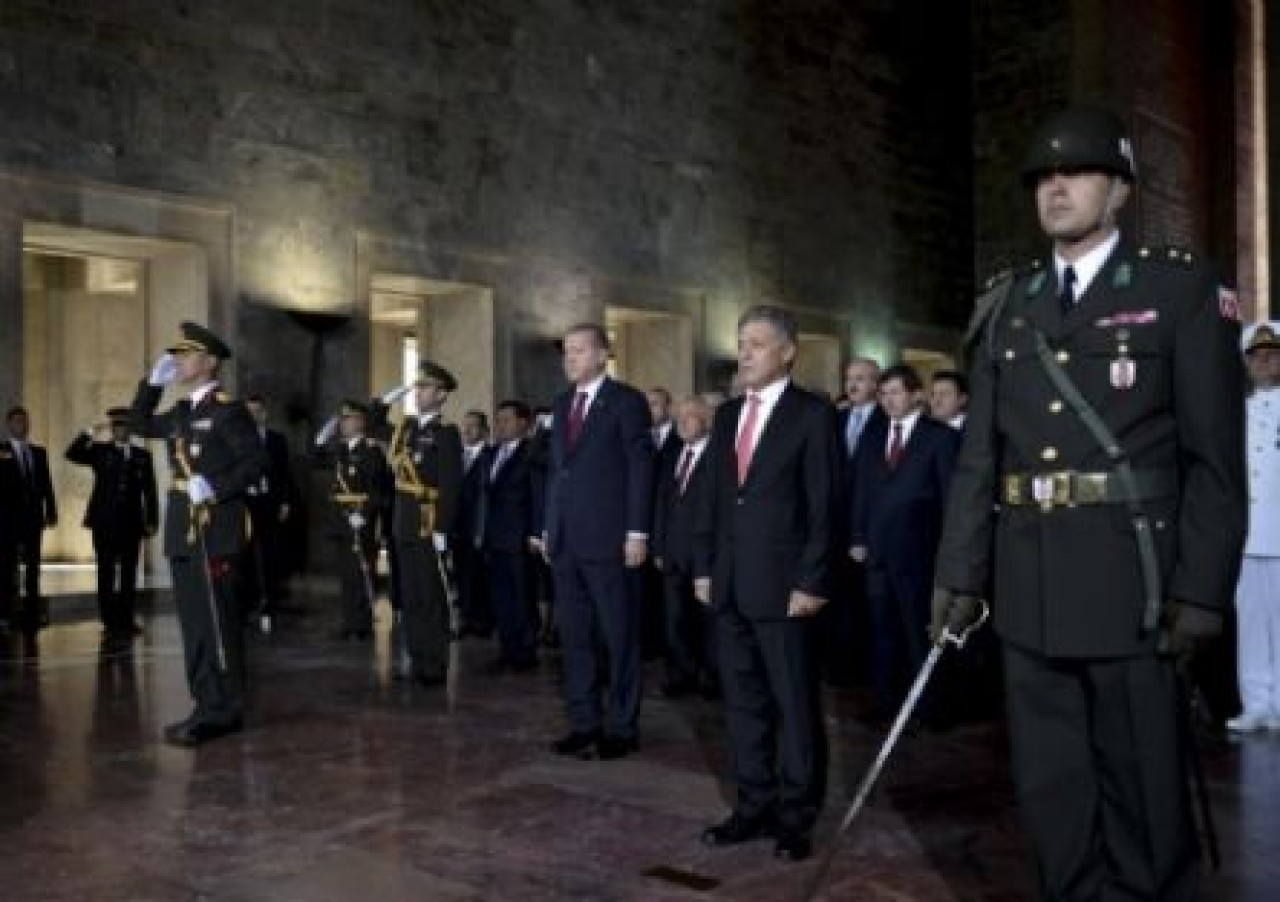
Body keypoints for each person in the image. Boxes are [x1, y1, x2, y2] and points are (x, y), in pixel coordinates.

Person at [932, 107, 1247, 901]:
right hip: (1029, 587)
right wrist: (959, 576)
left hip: (1131, 588)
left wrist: (1200, 589)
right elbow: (981, 459)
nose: (1056, 186)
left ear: (1119, 192)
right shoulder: (1011, 302)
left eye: (1075, 172)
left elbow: (1214, 461)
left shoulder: (1179, 288)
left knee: (1143, 788)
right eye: (1043, 176)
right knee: (1052, 793)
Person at [694, 304, 838, 863]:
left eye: (757, 343)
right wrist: (705, 567)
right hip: (730, 585)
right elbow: (713, 497)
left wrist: (812, 581)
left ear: (787, 352)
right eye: (742, 342)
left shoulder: (812, 415)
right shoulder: (728, 416)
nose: (745, 353)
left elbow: (826, 506)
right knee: (743, 703)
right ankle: (752, 806)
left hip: (786, 589)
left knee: (794, 706)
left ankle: (796, 816)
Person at [132, 322, 267, 746]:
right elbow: (138, 424)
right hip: (183, 531)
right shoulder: (181, 412)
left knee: (217, 622)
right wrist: (151, 385)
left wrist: (216, 486)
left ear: (210, 363)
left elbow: (256, 463)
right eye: (177, 356)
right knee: (194, 625)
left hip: (215, 530)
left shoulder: (229, 411)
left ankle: (224, 708)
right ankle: (204, 703)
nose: (179, 362)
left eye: (187, 355)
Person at [543, 323, 654, 761]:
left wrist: (637, 532)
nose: (570, 359)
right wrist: (549, 528)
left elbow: (640, 468)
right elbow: (557, 473)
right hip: (567, 541)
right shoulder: (562, 403)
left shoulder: (626, 401)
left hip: (611, 540)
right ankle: (584, 722)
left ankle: (622, 726)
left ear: (603, 354)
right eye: (566, 352)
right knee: (575, 637)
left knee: (619, 636)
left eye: (578, 351)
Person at [849, 364, 959, 717]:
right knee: (881, 633)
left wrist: (948, 553)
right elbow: (860, 491)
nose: (888, 400)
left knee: (918, 635)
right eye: (883, 394)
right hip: (877, 555)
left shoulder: (939, 437)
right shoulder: (872, 436)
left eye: (895, 392)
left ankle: (925, 709)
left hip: (920, 555)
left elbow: (949, 500)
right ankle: (885, 704)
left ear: (916, 395)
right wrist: (857, 536)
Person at [385, 360, 462, 687]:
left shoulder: (446, 434)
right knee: (411, 596)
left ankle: (435, 664)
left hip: (428, 524)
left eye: (426, 387)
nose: (419, 393)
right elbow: (375, 420)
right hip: (404, 523)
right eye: (417, 387)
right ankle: (417, 659)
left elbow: (451, 485)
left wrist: (443, 528)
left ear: (442, 395)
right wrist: (394, 394)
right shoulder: (408, 429)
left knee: (431, 596)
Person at [64, 406, 159, 638]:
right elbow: (72, 453)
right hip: (104, 522)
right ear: (111, 429)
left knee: (128, 574)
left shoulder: (142, 456)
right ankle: (108, 620)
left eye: (124, 425)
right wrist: (89, 432)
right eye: (116, 426)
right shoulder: (100, 451)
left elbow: (150, 490)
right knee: (106, 573)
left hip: (131, 524)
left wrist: (152, 520)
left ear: (130, 429)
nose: (120, 430)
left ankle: (126, 619)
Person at [1228, 321, 1280, 732]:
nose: (1264, 362)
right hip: (1246, 536)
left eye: (1272, 355)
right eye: (1256, 356)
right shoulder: (1231, 413)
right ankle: (1256, 703)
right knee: (1250, 624)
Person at [652, 395, 717, 698]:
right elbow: (662, 505)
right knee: (674, 621)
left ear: (707, 420)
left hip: (707, 558)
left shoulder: (718, 457)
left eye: (690, 416)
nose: (682, 421)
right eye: (679, 416)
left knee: (707, 622)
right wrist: (659, 548)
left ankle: (711, 677)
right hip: (673, 554)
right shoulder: (673, 456)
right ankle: (681, 674)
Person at [314, 399, 390, 641]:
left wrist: (364, 514)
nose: (342, 423)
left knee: (362, 572)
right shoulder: (340, 450)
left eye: (347, 418)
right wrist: (325, 431)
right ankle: (349, 623)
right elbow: (316, 455)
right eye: (342, 418)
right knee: (347, 574)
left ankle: (362, 625)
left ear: (361, 422)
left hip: (361, 520)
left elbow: (379, 490)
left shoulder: (371, 451)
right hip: (341, 519)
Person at [478, 399, 542, 672]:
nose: (500, 425)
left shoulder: (532, 453)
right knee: (501, 598)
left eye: (506, 419)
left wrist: (536, 533)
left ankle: (525, 653)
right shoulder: (490, 454)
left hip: (519, 538)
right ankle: (507, 649)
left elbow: (538, 496)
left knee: (522, 597)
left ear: (522, 423)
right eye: (498, 419)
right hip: (493, 539)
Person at [0, 406, 57, 635]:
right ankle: (5, 616)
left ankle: (31, 616)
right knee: (6, 570)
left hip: (33, 519)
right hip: (7, 522)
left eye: (24, 421)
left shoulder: (38, 452)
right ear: (8, 425)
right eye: (16, 422)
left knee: (33, 569)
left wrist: (51, 510)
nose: (21, 425)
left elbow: (46, 484)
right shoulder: (1, 451)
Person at [242, 394, 297, 631]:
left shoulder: (277, 440)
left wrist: (285, 502)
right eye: (249, 412)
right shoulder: (237, 439)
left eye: (257, 411)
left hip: (270, 503)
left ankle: (270, 602)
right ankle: (246, 604)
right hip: (245, 504)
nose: (253, 415)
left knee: (270, 553)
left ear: (264, 414)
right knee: (244, 555)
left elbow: (285, 473)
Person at [454, 409, 494, 639]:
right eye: (464, 425)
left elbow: (485, 496)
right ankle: (466, 619)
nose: (467, 430)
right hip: (459, 528)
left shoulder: (489, 456)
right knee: (462, 576)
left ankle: (483, 621)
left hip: (479, 527)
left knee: (481, 576)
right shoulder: (456, 456)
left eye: (473, 426)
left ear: (484, 431)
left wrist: (482, 528)